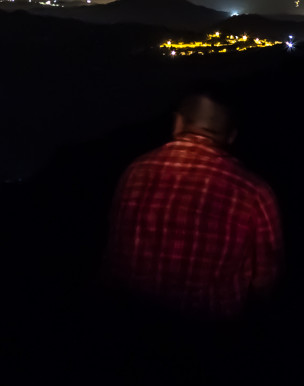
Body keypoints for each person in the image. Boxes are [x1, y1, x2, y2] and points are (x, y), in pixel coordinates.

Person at [104, 92, 282, 320]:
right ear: (230, 136)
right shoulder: (254, 192)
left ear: (178, 123)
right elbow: (266, 279)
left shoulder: (135, 171)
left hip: (126, 321)